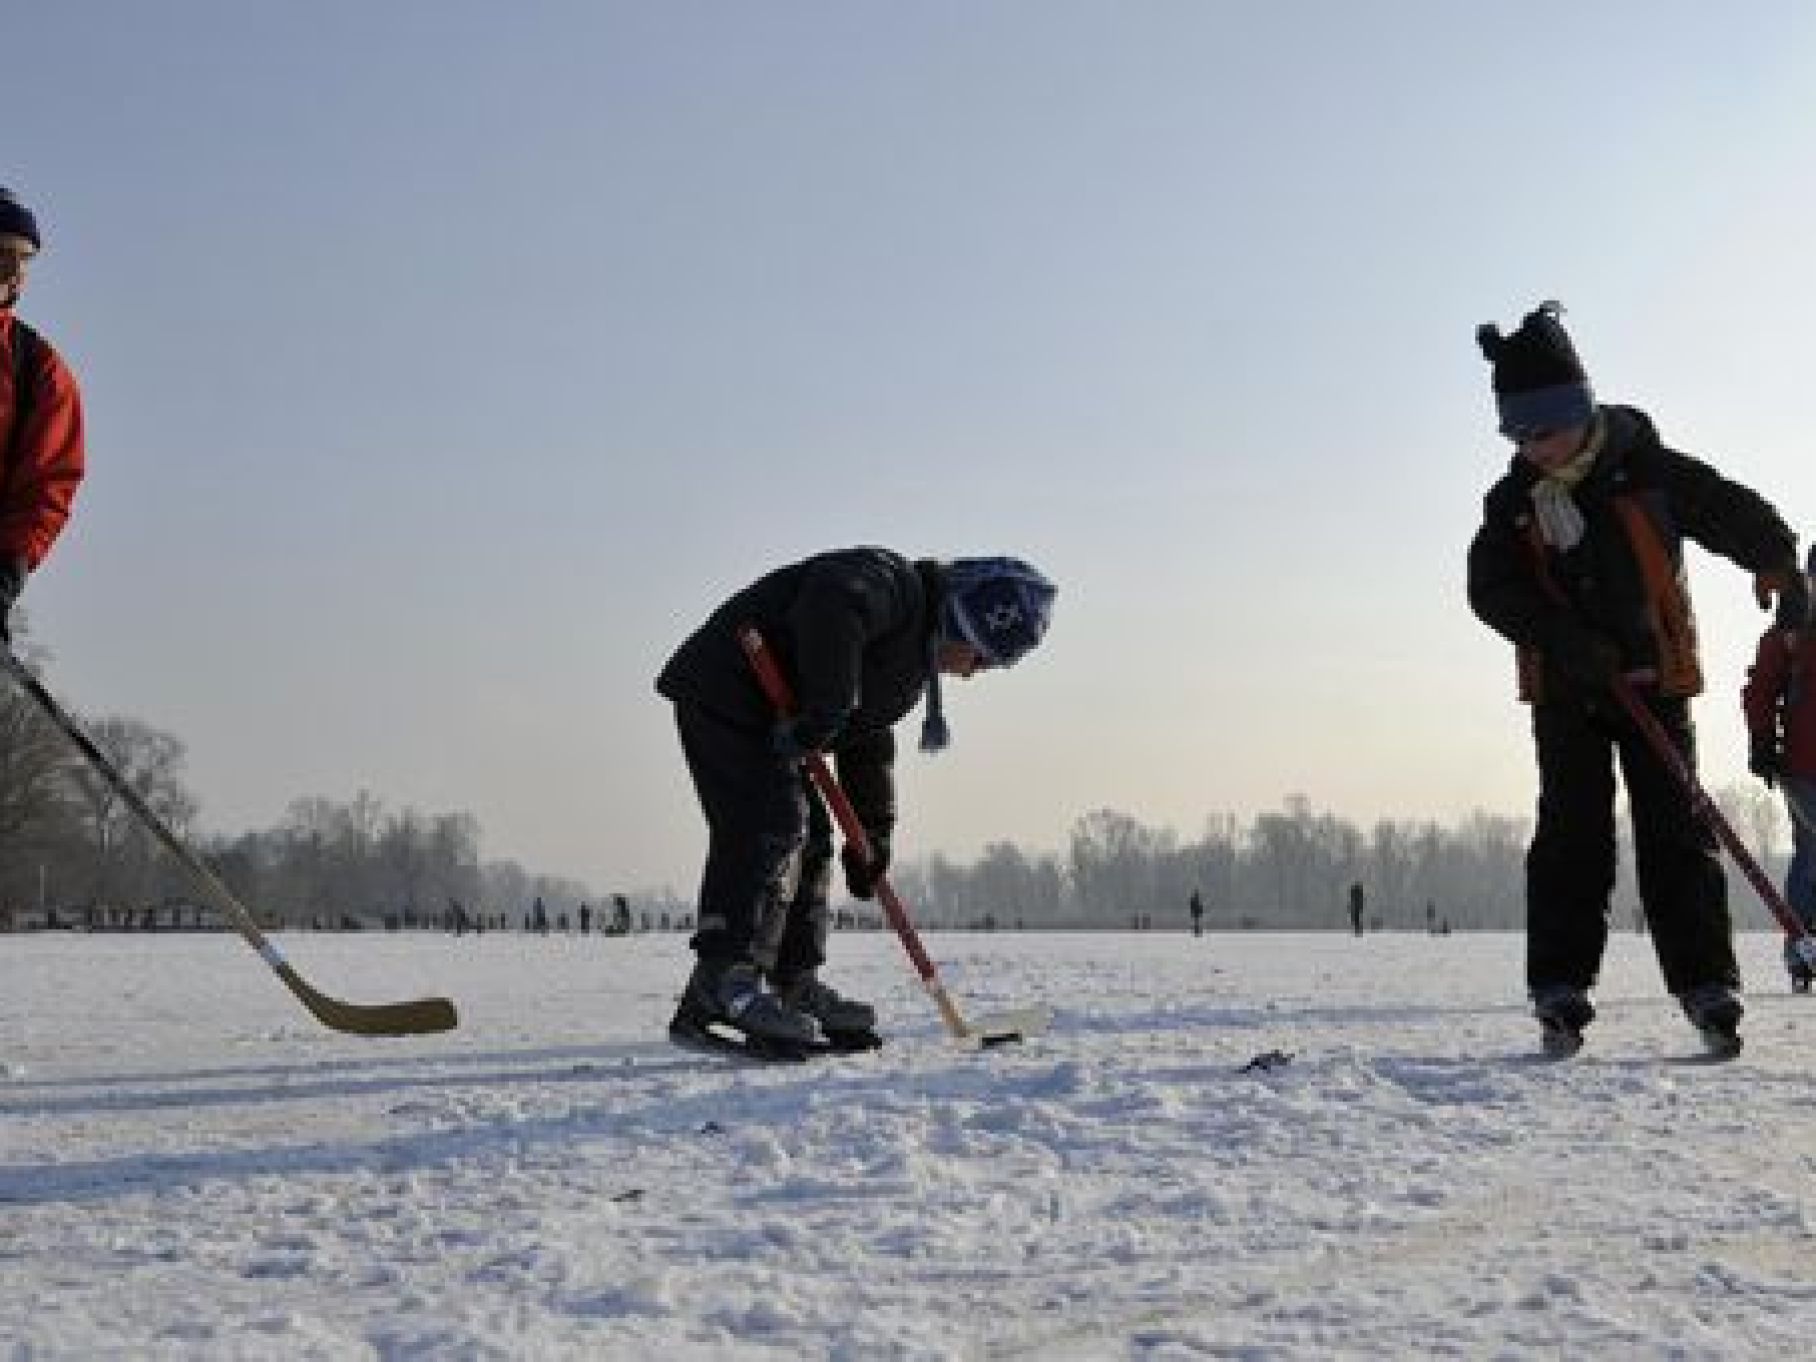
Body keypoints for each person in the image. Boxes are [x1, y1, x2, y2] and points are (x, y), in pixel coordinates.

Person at [1467, 302, 1807, 1054]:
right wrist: (1563, 639)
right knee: (1571, 834)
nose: (1532, 448)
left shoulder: (1647, 468)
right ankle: (1560, 984)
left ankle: (1705, 983)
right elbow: (1489, 589)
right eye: (1515, 435)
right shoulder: (1513, 504)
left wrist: (1777, 561)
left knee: (1677, 832)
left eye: (1542, 430)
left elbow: (1724, 508)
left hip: (1656, 680)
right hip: (1568, 693)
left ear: (1578, 412)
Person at [656, 549, 1056, 1051]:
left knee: (814, 838)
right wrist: (829, 706)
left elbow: (866, 740)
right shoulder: (890, 584)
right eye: (984, 655)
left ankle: (792, 983)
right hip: (729, 689)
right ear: (964, 622)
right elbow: (833, 601)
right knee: (773, 823)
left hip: (778, 722)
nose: (977, 672)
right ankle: (721, 982)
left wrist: (872, 835)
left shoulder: (909, 666)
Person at [0, 186, 85, 642]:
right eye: (1, 254)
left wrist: (4, 577)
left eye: (24, 259)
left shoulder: (38, 371)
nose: (14, 272)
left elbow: (46, 485)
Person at [1742, 543, 1816, 991]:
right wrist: (1762, 743)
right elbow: (1761, 689)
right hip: (1804, 765)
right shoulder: (1789, 635)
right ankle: (1802, 949)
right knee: (1811, 855)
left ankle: (1802, 947)